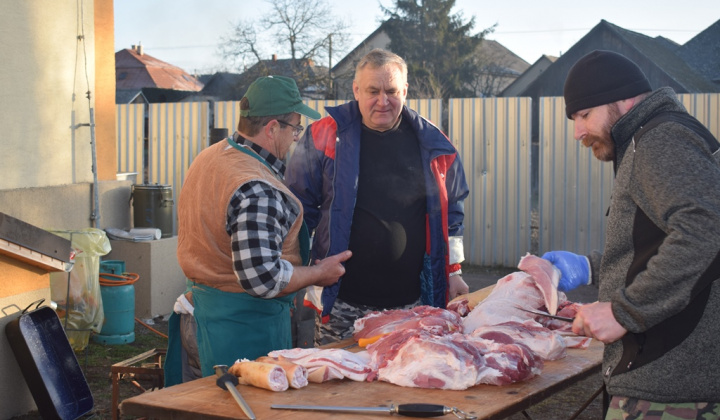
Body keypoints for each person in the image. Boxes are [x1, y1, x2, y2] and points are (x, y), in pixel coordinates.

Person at [542, 50, 720, 418]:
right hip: (670, 378)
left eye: (584, 114)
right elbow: (658, 237)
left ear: (623, 99)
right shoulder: (656, 136)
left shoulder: (660, 139)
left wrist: (624, 313)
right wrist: (592, 266)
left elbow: (705, 229)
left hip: (669, 388)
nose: (577, 131)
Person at [164, 75, 352, 386]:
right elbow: (263, 278)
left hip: (200, 315)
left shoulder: (213, 156)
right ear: (272, 128)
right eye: (294, 127)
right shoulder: (257, 189)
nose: (296, 137)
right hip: (239, 329)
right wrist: (319, 274)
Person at [285, 48, 470, 346]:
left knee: (405, 385)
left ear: (405, 90)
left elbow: (452, 214)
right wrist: (299, 273)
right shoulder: (324, 135)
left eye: (391, 91)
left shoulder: (433, 142)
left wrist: (454, 270)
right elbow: (297, 210)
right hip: (342, 303)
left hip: (412, 303)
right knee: (336, 388)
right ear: (356, 90)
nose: (382, 101)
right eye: (372, 91)